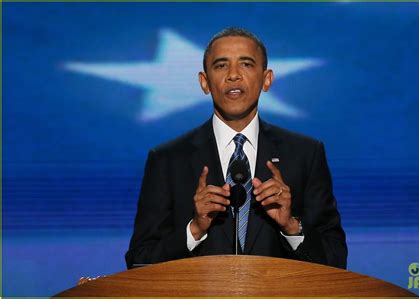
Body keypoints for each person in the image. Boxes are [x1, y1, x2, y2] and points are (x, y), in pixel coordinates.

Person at [125, 27, 347, 269]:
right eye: (221, 65)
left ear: (267, 79)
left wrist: (291, 227)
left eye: (246, 64)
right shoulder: (167, 160)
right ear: (204, 82)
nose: (233, 75)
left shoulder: (305, 154)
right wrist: (195, 230)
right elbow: (139, 261)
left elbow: (335, 259)